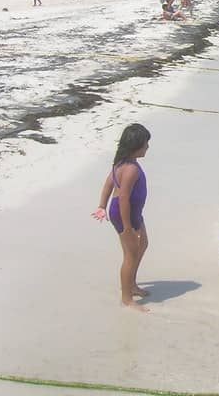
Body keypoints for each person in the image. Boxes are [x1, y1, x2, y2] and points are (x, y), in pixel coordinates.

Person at [92, 124, 152, 311]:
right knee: (130, 255)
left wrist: (102, 205)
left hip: (133, 213)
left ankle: (132, 285)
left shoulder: (121, 163)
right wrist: (128, 228)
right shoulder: (131, 169)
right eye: (145, 144)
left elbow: (107, 185)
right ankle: (126, 298)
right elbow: (124, 197)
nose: (147, 148)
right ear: (136, 147)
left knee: (142, 245)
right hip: (124, 214)